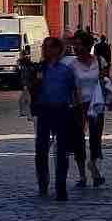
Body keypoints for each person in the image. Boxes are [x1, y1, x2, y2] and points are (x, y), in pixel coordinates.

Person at [31, 36, 76, 201]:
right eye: (44, 47)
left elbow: (73, 92)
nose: (44, 49)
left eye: (48, 47)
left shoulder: (65, 70)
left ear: (57, 49)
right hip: (44, 111)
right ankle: (43, 182)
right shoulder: (39, 69)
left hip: (62, 111)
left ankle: (61, 185)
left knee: (62, 151)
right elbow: (31, 89)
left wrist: (77, 114)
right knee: (41, 149)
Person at [64, 29, 107, 188]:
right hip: (77, 105)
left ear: (87, 45)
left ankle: (94, 168)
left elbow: (104, 81)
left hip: (96, 104)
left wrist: (109, 98)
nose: (76, 48)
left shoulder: (100, 61)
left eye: (79, 45)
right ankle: (82, 176)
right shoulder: (71, 65)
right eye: (74, 45)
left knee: (96, 138)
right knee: (78, 140)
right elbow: (69, 86)